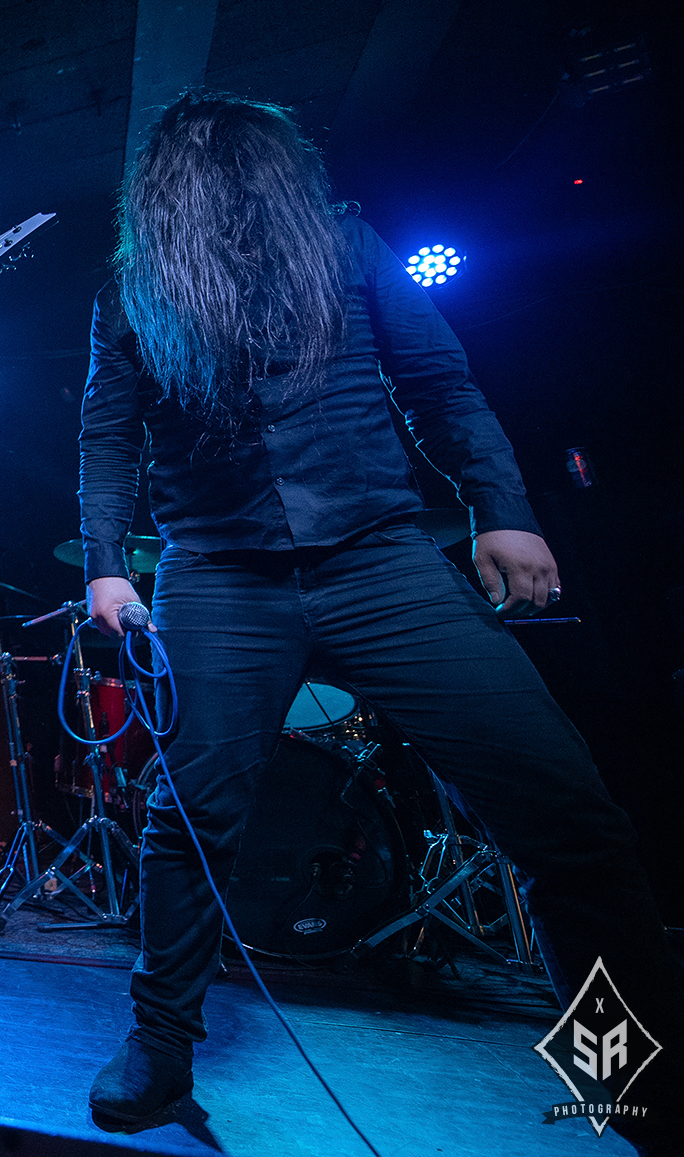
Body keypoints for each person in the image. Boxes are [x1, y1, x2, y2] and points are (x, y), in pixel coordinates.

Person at [78, 93, 679, 1148]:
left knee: (565, 816)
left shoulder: (349, 247)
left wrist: (503, 511)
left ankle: (630, 1081)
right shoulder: (133, 292)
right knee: (190, 818)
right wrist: (104, 572)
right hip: (219, 575)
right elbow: (106, 435)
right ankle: (160, 1044)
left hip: (380, 559)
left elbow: (442, 385)